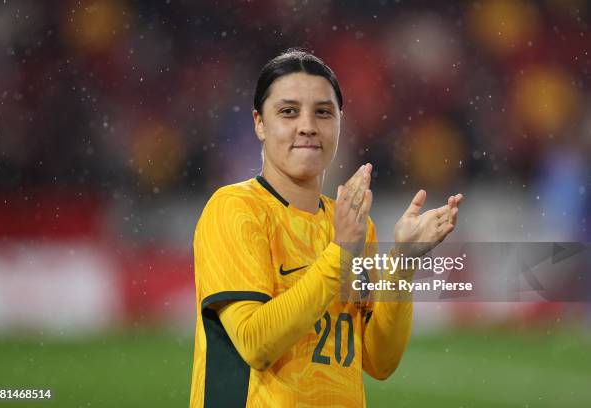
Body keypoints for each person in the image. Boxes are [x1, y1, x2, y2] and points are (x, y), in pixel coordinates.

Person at [189, 49, 463, 407]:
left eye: (323, 112)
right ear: (259, 122)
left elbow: (379, 362)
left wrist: (403, 262)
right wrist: (339, 253)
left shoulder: (354, 227)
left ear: (339, 123)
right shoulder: (235, 209)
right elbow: (256, 343)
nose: (307, 125)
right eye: (288, 112)